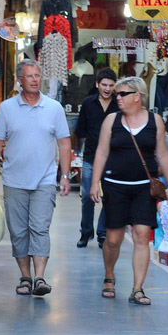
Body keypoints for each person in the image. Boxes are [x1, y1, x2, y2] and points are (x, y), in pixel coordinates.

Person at [0, 59, 71, 296]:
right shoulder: (6, 108)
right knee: (19, 230)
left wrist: (64, 175)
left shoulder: (54, 108)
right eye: (29, 76)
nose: (35, 80)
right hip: (14, 180)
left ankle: (40, 278)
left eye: (37, 75)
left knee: (40, 228)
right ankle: (25, 277)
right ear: (20, 80)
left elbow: (64, 142)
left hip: (44, 179)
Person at [90, 77, 168, 306]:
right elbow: (101, 153)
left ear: (137, 96)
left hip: (143, 189)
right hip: (114, 186)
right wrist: (94, 183)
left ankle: (138, 288)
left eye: (122, 94)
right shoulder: (111, 120)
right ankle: (109, 275)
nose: (117, 97)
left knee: (141, 235)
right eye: (116, 94)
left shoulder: (155, 121)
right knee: (114, 239)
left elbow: (162, 154)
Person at [73, 67, 118, 248]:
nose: (107, 89)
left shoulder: (118, 104)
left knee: (109, 198)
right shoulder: (88, 103)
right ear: (97, 84)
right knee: (87, 197)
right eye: (104, 85)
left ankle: (102, 233)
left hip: (113, 157)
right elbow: (80, 129)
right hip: (91, 156)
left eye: (111, 85)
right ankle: (85, 232)